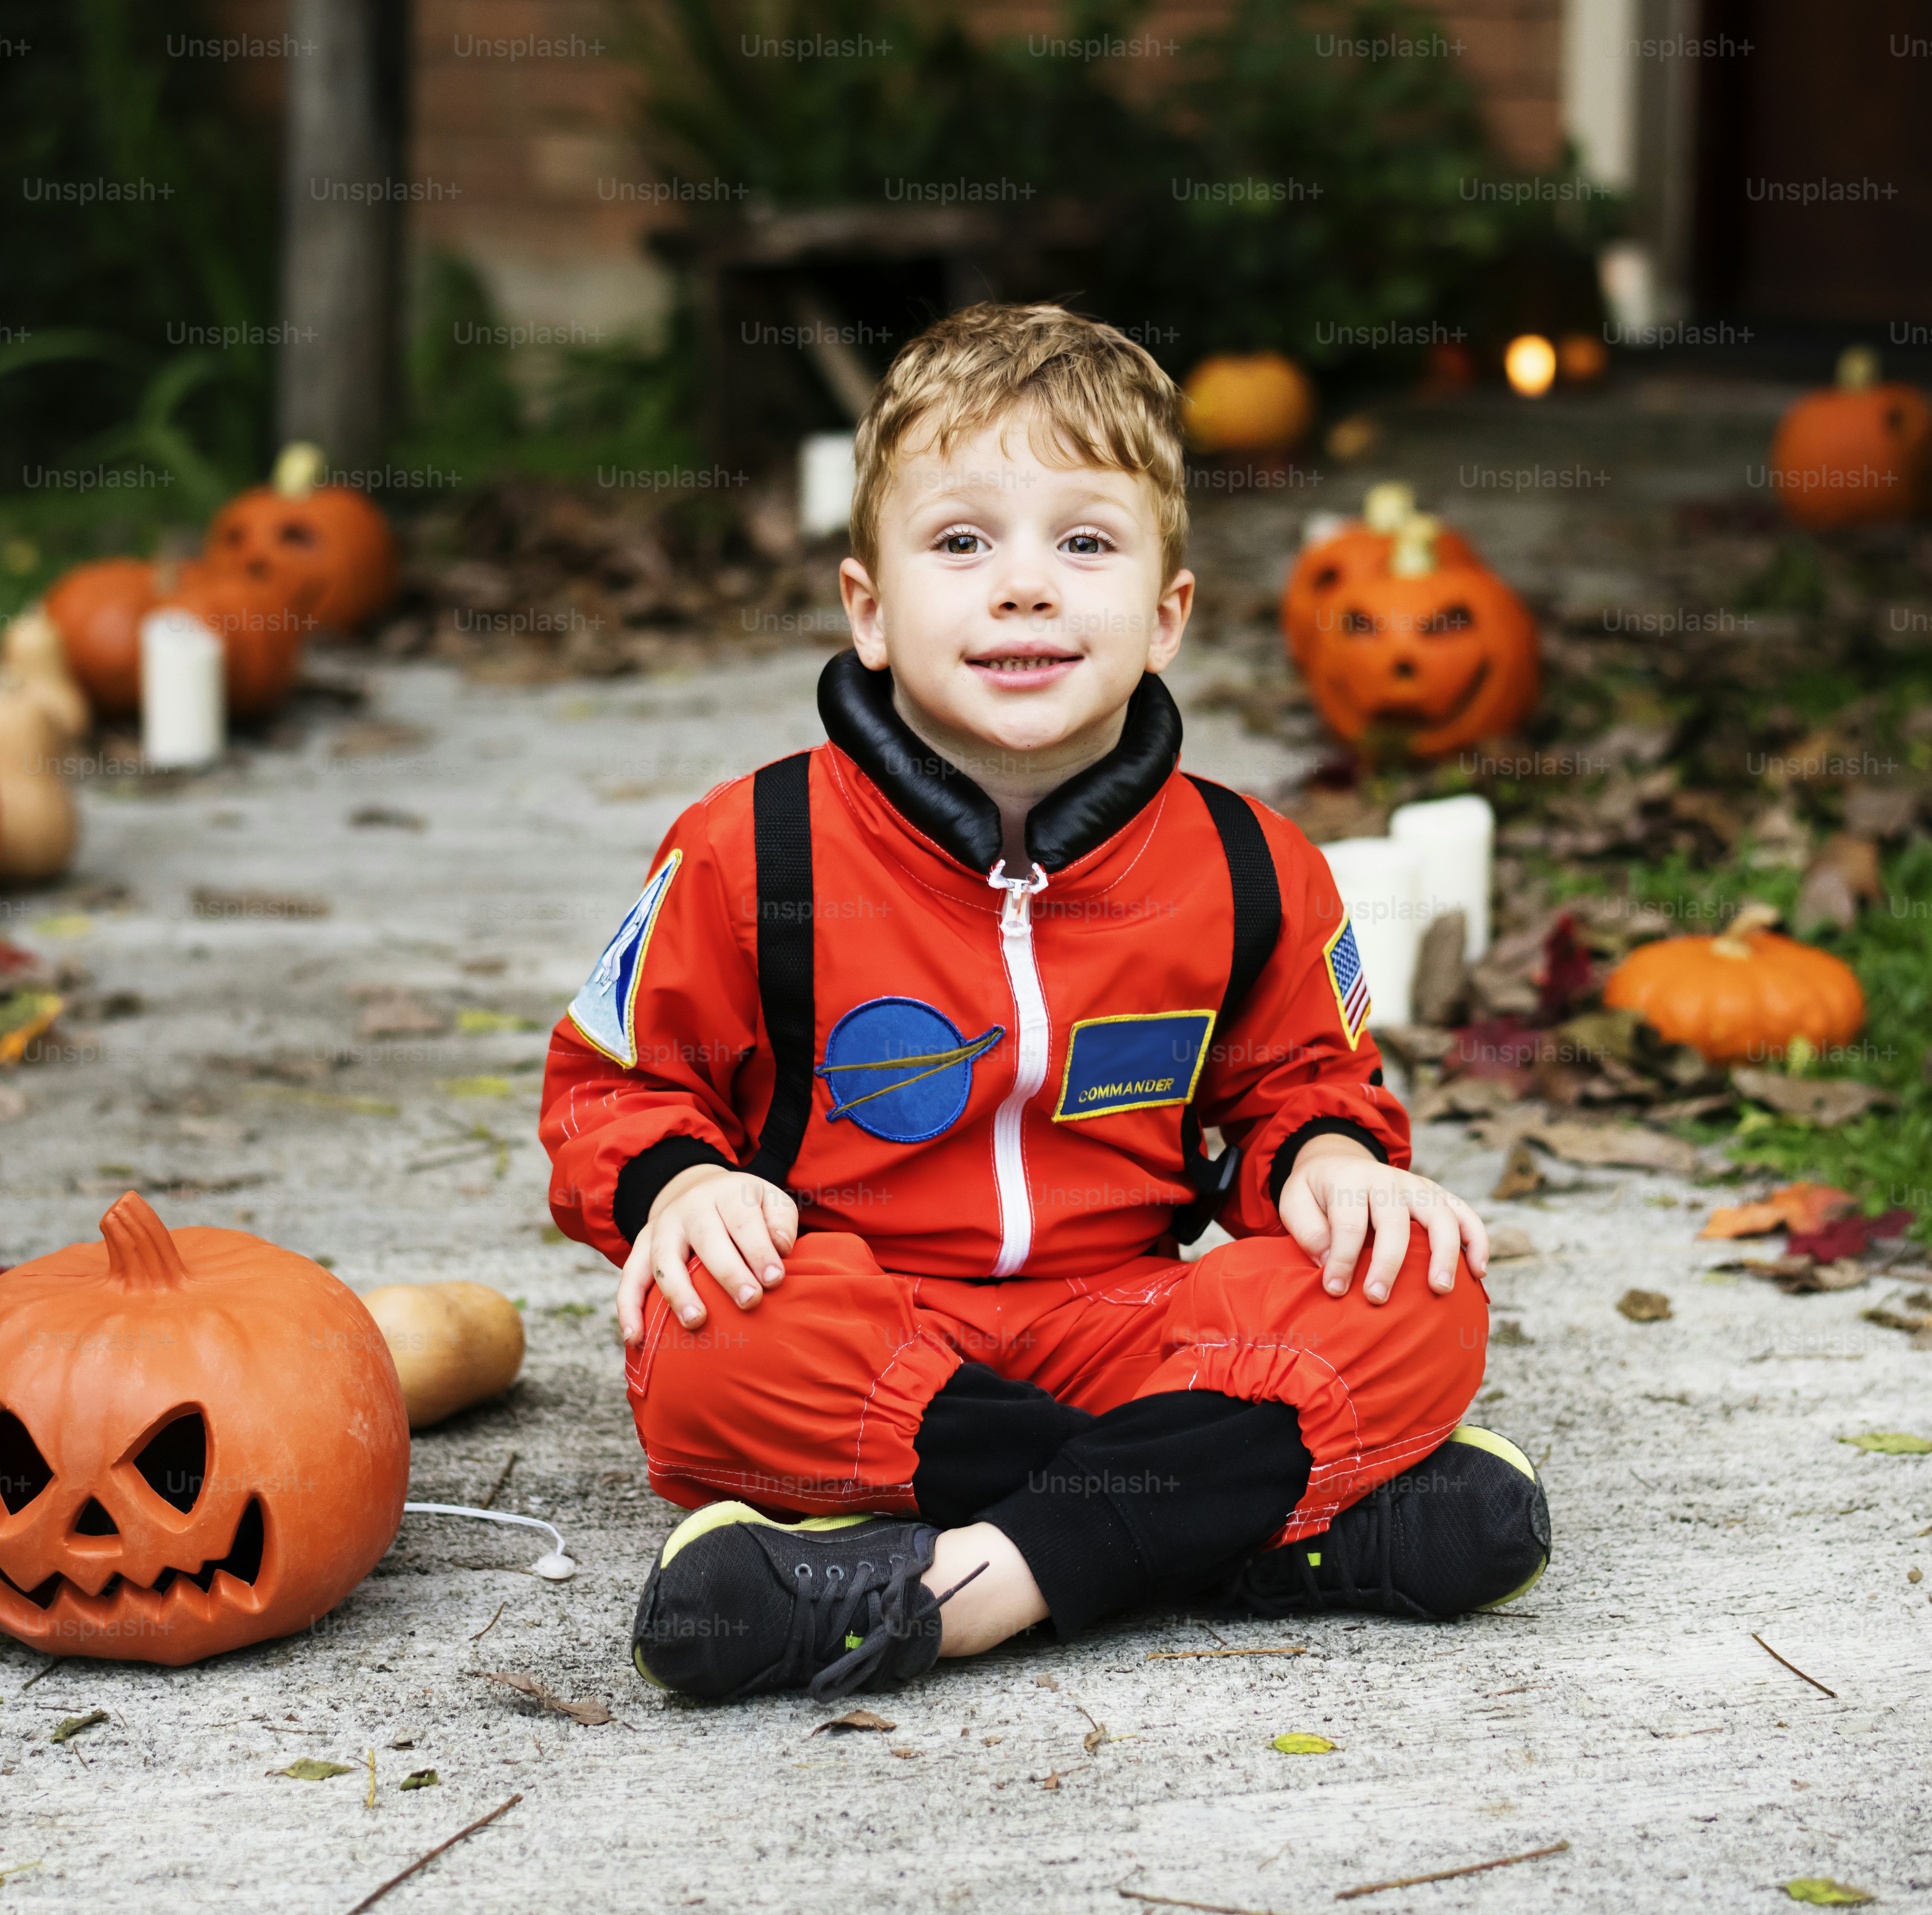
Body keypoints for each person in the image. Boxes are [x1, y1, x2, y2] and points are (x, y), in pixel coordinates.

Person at [539, 303, 1547, 1705]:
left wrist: (1329, 1162)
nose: (1025, 588)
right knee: (709, 1341)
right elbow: (612, 1088)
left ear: (1169, 614)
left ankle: (948, 1595)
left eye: (1085, 541)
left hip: (1135, 1317)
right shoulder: (747, 850)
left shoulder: (1252, 867)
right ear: (869, 610)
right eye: (963, 542)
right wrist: (683, 1189)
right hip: (867, 1313)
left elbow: (1301, 1087)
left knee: (1422, 1299)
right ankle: (1247, 1528)